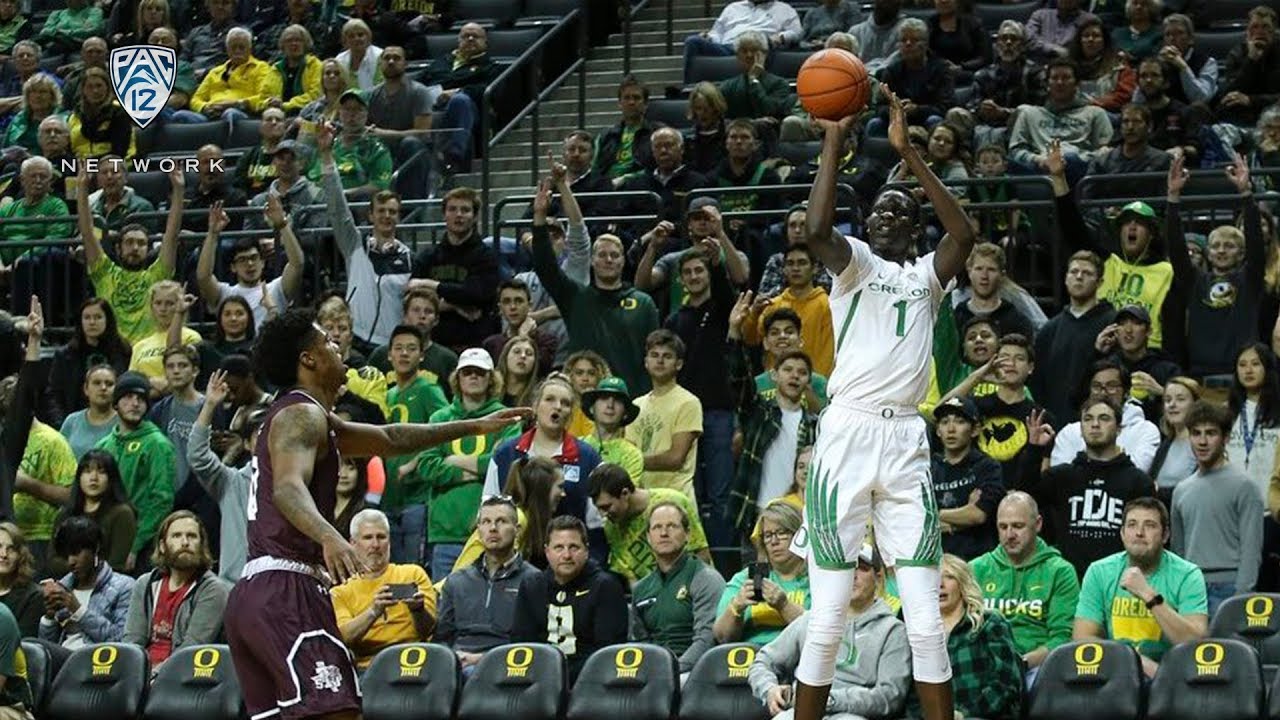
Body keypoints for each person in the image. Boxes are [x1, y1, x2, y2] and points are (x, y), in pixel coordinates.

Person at [223, 308, 526, 720]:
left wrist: (471, 427)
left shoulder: (305, 415)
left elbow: (389, 437)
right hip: (287, 589)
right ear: (308, 359)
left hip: (256, 593)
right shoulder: (301, 414)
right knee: (338, 712)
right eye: (328, 342)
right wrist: (330, 535)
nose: (338, 348)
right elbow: (289, 488)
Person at [786, 87, 977, 720]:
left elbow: (965, 231)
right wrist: (834, 142)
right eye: (875, 213)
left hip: (904, 444)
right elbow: (816, 230)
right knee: (829, 616)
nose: (878, 220)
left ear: (913, 226)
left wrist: (908, 155)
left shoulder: (925, 277)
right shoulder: (856, 267)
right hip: (847, 434)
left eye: (894, 212)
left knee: (924, 621)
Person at [748, 542, 909, 720]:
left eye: (861, 568)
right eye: (846, 569)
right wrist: (770, 690)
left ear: (878, 578)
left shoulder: (893, 631)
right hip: (800, 710)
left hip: (854, 715)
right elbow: (762, 661)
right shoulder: (813, 620)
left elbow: (890, 696)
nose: (852, 576)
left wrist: (829, 700)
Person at [414, 348, 520, 579]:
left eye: (480, 373)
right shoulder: (439, 419)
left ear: (491, 379)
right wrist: (479, 470)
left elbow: (508, 465)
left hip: (494, 533)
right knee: (445, 608)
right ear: (457, 378)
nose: (473, 377)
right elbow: (426, 466)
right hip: (446, 533)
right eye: (467, 372)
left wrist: (455, 461)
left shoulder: (506, 418)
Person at [1073, 497, 1208, 676]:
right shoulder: (1099, 572)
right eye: (1132, 525)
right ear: (1122, 533)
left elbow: (1195, 643)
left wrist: (1149, 595)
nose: (1139, 532)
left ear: (1165, 535)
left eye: (1150, 525)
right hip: (1113, 671)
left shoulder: (1188, 574)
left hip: (1172, 675)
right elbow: (1082, 638)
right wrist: (1136, 662)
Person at [1024, 398, 1155, 576]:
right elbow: (1025, 500)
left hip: (1119, 582)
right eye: (1088, 419)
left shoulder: (1138, 482)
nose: (1095, 424)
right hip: (1069, 582)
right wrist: (1034, 450)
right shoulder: (1062, 477)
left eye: (1104, 418)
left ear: (1118, 429)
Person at [970, 492, 1080, 681]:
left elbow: (1063, 638)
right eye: (1003, 527)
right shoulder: (976, 569)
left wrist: (1020, 663)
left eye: (1018, 526)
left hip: (1037, 667)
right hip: (983, 665)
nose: (1009, 535)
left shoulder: (1060, 571)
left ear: (1038, 524)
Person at [1171, 401, 1263, 614]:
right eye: (1196, 433)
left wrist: (1241, 597)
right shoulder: (1181, 490)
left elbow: (1251, 550)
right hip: (1191, 588)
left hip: (1229, 588)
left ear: (1226, 438)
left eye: (1211, 433)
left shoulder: (1245, 486)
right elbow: (1178, 552)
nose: (1202, 441)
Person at [510, 515, 628, 682]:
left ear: (586, 551)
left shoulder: (606, 586)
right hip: (537, 679)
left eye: (574, 547)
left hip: (590, 681)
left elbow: (607, 652)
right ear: (547, 552)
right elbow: (521, 644)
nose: (566, 555)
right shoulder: (531, 586)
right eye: (559, 547)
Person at [435, 495, 540, 675]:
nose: (493, 528)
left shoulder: (534, 581)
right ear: (478, 530)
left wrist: (482, 659)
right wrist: (451, 659)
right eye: (486, 522)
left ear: (517, 529)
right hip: (457, 664)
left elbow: (533, 644)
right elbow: (443, 638)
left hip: (510, 665)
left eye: (501, 521)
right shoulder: (456, 581)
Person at [330, 509, 436, 671]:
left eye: (381, 537)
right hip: (370, 667)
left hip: (416, 660)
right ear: (352, 544)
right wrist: (373, 611)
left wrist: (418, 610)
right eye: (368, 538)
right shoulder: (341, 591)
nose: (375, 545)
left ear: (389, 541)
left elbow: (430, 630)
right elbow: (343, 638)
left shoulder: (413, 574)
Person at [123, 511, 229, 670]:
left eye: (192, 536)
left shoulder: (213, 589)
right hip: (140, 674)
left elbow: (190, 651)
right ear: (162, 546)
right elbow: (132, 641)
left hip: (183, 678)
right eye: (177, 536)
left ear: (202, 545)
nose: (185, 542)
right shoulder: (145, 584)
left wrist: (152, 677)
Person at [629, 501, 724, 675]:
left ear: (687, 534)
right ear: (648, 537)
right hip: (652, 672)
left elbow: (707, 639)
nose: (664, 533)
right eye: (657, 527)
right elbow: (640, 643)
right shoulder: (640, 588)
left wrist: (670, 673)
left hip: (695, 672)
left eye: (672, 526)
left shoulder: (706, 578)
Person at [926, 555, 1023, 720]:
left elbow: (1006, 683)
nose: (940, 584)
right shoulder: (923, 633)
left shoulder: (990, 623)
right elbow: (913, 692)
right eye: (934, 577)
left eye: (949, 577)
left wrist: (964, 714)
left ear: (963, 584)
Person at [589, 463, 709, 586]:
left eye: (607, 507)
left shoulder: (673, 502)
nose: (603, 514)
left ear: (625, 493)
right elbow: (630, 576)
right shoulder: (612, 527)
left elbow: (700, 552)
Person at [715, 502, 810, 645]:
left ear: (799, 536)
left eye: (782, 533)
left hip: (799, 655)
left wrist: (784, 605)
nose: (774, 541)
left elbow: (820, 633)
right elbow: (721, 637)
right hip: (748, 657)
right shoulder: (744, 579)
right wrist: (736, 607)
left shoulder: (816, 579)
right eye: (768, 535)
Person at [627, 330, 703, 501]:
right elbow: (628, 451)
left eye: (667, 356)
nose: (660, 360)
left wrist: (634, 462)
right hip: (641, 499)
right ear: (646, 362)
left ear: (679, 364)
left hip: (677, 499)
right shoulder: (635, 405)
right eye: (654, 355)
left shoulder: (688, 402)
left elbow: (675, 458)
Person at [37, 516, 133, 651]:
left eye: (76, 553)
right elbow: (45, 651)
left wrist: (79, 611)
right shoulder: (64, 587)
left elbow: (121, 640)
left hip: (97, 663)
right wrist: (50, 616)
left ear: (96, 548)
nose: (71, 561)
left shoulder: (123, 586)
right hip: (63, 661)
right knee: (30, 645)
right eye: (66, 555)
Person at [930, 397, 1004, 560]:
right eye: (944, 422)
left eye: (960, 421)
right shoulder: (928, 468)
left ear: (975, 429)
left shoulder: (988, 467)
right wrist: (959, 519)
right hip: (935, 560)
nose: (951, 429)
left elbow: (977, 515)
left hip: (976, 561)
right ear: (937, 430)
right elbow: (915, 515)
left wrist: (933, 516)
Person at [50, 450, 135, 575]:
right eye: (87, 471)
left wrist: (84, 568)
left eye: (101, 472)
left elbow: (116, 564)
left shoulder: (122, 513)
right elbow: (53, 560)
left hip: (107, 586)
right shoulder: (65, 514)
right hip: (67, 583)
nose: (94, 478)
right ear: (79, 477)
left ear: (111, 478)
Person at [47, 298, 130, 426]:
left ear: (108, 320)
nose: (92, 322)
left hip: (116, 423)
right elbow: (54, 394)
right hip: (74, 424)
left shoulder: (123, 351)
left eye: (98, 317)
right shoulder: (65, 355)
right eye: (87, 317)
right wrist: (62, 425)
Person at [0, 523, 44, 637]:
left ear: (21, 555)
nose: (4, 554)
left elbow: (23, 643)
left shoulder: (33, 596)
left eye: (11, 549)